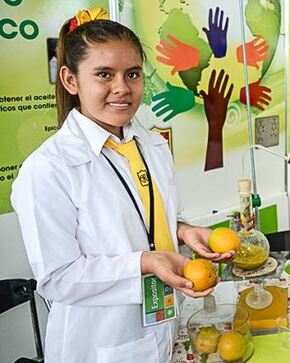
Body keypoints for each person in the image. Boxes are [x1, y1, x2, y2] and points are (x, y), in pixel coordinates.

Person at [11, 9, 235, 363]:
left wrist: (183, 230)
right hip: (101, 342)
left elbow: (145, 219)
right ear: (71, 80)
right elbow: (58, 278)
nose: (122, 88)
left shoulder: (151, 145)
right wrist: (143, 263)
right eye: (104, 75)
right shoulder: (48, 168)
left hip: (163, 325)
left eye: (132, 74)